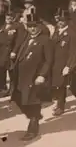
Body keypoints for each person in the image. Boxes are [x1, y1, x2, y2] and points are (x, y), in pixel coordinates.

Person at [13, 10, 52, 140]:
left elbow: (48, 60)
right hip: (22, 76)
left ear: (40, 26)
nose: (33, 29)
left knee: (33, 101)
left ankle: (33, 128)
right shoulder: (27, 38)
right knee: (19, 99)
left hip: (35, 76)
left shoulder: (45, 40)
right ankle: (34, 116)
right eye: (30, 26)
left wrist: (42, 75)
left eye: (35, 26)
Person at [50, 9, 76, 116]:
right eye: (59, 20)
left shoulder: (71, 33)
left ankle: (60, 107)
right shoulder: (57, 31)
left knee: (61, 86)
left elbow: (73, 52)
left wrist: (68, 65)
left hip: (63, 63)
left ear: (67, 21)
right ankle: (56, 102)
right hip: (54, 63)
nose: (60, 22)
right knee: (55, 84)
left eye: (63, 20)